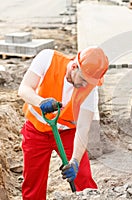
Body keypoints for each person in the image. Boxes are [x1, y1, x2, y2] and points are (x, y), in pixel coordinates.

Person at [18, 46, 109, 199]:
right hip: (36, 131)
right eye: (84, 80)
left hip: (67, 134)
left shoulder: (90, 89)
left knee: (83, 178)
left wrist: (75, 161)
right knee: (33, 183)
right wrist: (41, 102)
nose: (86, 86)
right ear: (74, 67)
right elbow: (24, 89)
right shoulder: (48, 58)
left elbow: (83, 127)